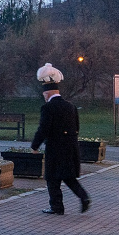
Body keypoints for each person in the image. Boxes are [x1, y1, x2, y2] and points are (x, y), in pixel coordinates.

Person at [32, 63, 91, 215]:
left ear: (48, 94)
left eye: (45, 95)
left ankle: (57, 206)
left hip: (55, 147)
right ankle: (83, 197)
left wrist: (35, 145)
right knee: (68, 177)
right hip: (71, 146)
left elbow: (43, 129)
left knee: (52, 178)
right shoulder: (71, 106)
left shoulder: (48, 108)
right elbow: (77, 127)